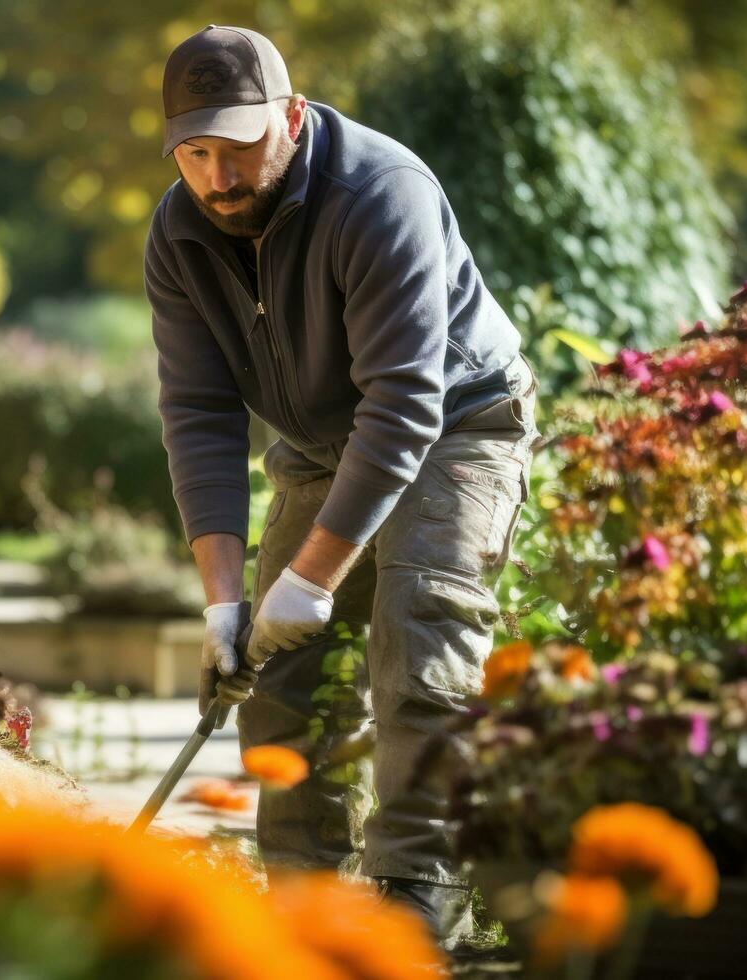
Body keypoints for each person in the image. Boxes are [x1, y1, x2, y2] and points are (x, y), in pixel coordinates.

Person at [144, 24, 540, 949]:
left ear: (289, 116)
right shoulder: (179, 232)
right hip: (321, 442)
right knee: (273, 673)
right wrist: (223, 606)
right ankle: (299, 903)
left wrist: (310, 579)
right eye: (193, 153)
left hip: (456, 422)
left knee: (419, 637)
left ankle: (411, 901)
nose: (218, 176)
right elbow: (199, 416)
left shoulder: (379, 193)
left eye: (238, 146)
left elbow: (404, 405)